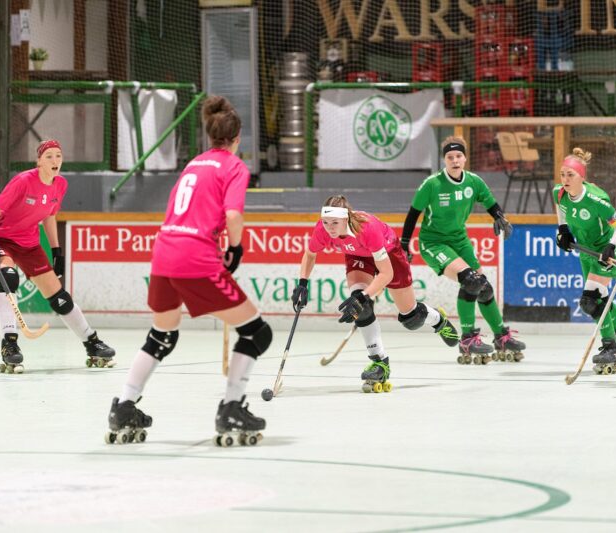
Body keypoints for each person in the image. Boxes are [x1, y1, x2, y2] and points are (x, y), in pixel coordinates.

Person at [105, 96, 271, 445]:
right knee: (257, 333)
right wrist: (235, 248)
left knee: (162, 335)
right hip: (194, 258)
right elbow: (233, 216)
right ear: (237, 137)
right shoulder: (234, 167)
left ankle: (124, 405)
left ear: (210, 136)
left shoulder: (194, 164)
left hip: (164, 254)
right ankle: (231, 408)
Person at [291, 195, 459, 392]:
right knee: (360, 308)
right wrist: (302, 283)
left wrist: (364, 296)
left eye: (335, 222)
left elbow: (386, 273)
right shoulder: (322, 229)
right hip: (357, 256)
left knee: (411, 318)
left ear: (346, 218)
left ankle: (437, 319)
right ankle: (380, 362)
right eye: (326, 222)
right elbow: (310, 254)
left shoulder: (366, 228)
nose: (330, 228)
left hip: (389, 253)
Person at [0, 139, 115, 373]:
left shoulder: (60, 185)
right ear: (39, 161)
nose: (55, 160)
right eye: (49, 156)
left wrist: (56, 250)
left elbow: (49, 216)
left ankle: (92, 342)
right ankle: (9, 345)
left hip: (30, 244)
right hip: (5, 240)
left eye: (58, 156)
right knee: (8, 279)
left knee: (60, 297)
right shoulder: (23, 181)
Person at [399, 136, 525, 364]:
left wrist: (500, 217)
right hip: (434, 242)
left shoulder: (473, 182)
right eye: (450, 157)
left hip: (459, 239)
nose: (455, 160)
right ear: (444, 160)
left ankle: (501, 336)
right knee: (470, 281)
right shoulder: (432, 184)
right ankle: (468, 338)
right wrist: (404, 242)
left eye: (458, 156)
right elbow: (413, 214)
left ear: (465, 159)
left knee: (484, 287)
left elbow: (490, 202)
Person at [553, 148, 616, 374]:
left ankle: (611, 346)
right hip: (586, 251)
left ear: (582, 177)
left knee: (589, 301)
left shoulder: (596, 200)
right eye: (562, 174)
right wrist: (563, 229)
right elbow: (561, 208)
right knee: (600, 298)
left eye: (570, 175)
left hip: (608, 251)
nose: (565, 179)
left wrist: (611, 246)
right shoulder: (559, 193)